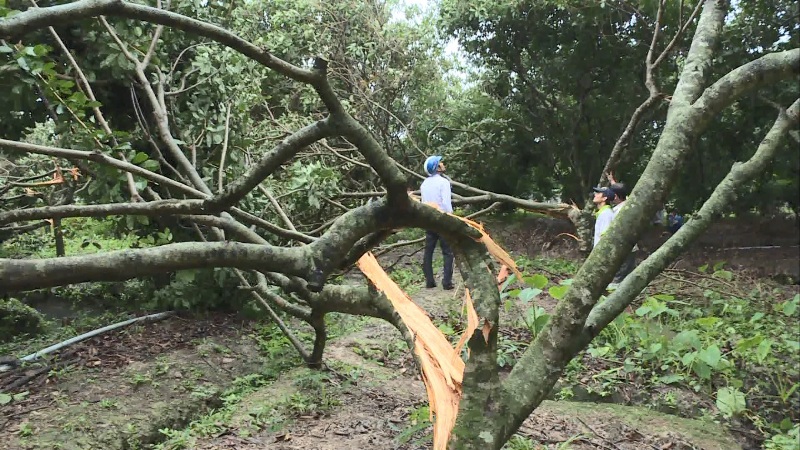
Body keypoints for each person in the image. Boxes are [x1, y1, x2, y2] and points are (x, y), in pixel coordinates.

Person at [420, 155, 454, 290]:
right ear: (437, 167)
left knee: (428, 251)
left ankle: (429, 281)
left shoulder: (424, 184)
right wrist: (450, 217)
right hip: (442, 219)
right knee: (447, 251)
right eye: (440, 163)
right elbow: (446, 203)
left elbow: (423, 203)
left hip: (428, 219)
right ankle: (447, 282)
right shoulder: (443, 183)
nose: (443, 163)